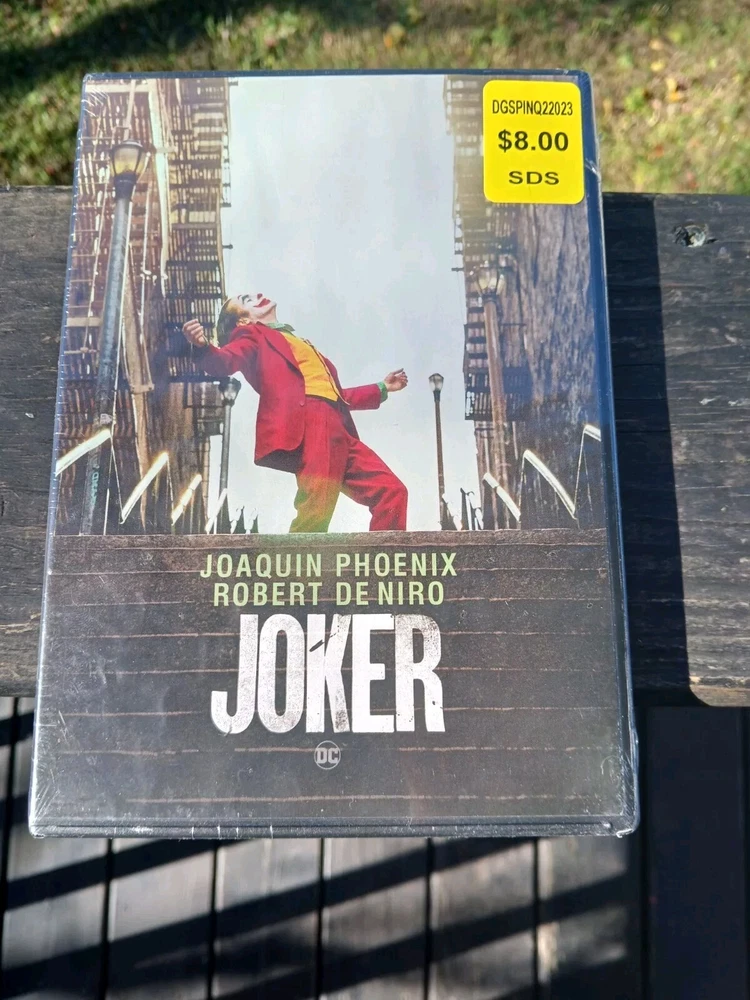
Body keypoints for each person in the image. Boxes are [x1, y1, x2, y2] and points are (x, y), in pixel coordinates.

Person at [183, 293, 409, 532]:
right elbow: (225, 360)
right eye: (247, 300)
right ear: (243, 321)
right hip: (312, 423)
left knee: (392, 491)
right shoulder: (251, 335)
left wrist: (382, 388)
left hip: (339, 429)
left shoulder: (297, 341)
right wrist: (203, 347)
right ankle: (296, 557)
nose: (257, 295)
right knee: (316, 506)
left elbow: (336, 395)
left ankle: (385, 555)